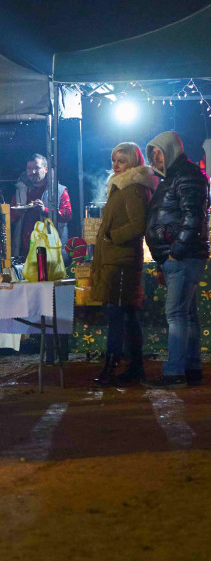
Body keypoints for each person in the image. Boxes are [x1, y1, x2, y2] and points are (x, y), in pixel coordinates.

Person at [143, 131, 210, 388]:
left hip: (183, 256)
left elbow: (193, 217)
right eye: (153, 153)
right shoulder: (176, 176)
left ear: (171, 149)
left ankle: (174, 372)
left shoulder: (186, 176)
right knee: (187, 315)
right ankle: (191, 369)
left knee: (176, 315)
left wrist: (174, 251)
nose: (156, 157)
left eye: (159, 151)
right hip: (182, 255)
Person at [90, 143, 159, 386]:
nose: (115, 165)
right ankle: (135, 368)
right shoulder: (122, 187)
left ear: (132, 162)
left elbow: (138, 224)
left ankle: (111, 367)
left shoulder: (132, 189)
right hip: (117, 261)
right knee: (126, 315)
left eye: (121, 160)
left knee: (117, 315)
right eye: (113, 160)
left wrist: (112, 237)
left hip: (122, 262)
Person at [10, 154, 72, 258]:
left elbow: (67, 215)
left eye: (37, 168)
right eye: (29, 169)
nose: (32, 172)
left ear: (46, 169)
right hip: (25, 251)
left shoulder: (59, 190)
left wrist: (45, 210)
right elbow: (9, 218)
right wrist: (17, 212)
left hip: (50, 250)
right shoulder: (20, 190)